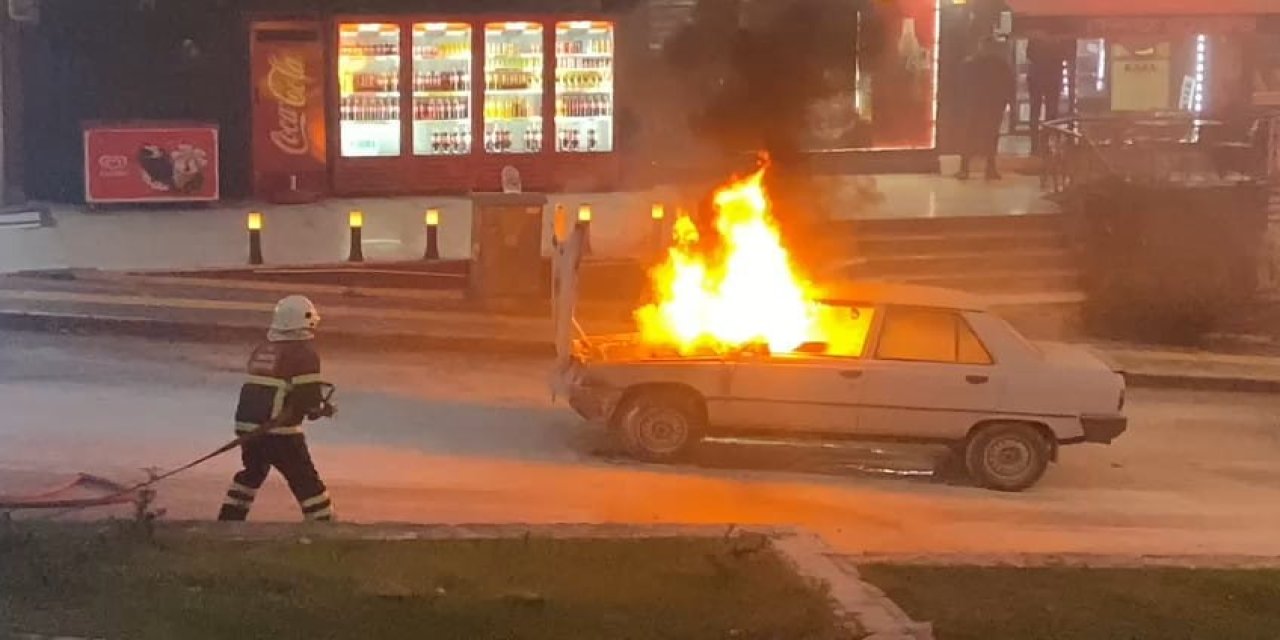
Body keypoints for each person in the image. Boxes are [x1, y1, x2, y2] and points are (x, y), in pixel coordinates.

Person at [217, 295, 337, 522]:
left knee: (251, 474)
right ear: (307, 322)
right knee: (306, 481)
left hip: (249, 428)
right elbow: (307, 399)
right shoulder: (304, 354)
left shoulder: (263, 349)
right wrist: (320, 410)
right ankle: (324, 527)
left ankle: (228, 522)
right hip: (279, 430)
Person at [956, 37, 1016, 180]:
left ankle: (965, 168)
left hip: (976, 104)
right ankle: (990, 168)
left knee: (969, 135)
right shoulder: (1001, 65)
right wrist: (1009, 102)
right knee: (991, 136)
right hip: (994, 105)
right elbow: (1009, 85)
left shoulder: (971, 64)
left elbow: (962, 85)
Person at [1027, 36, 1073, 153]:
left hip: (1036, 76)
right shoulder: (1060, 38)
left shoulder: (1036, 36)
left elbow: (1029, 53)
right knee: (1051, 110)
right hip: (1052, 76)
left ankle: (1035, 143)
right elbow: (1067, 54)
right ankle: (1045, 141)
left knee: (1035, 109)